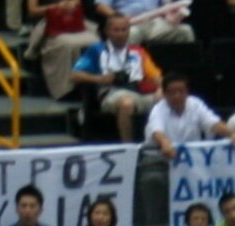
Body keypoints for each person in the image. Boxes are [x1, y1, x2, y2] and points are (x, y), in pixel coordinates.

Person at [70, 12, 161, 143]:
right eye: (116, 30)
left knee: (169, 96)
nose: (120, 34)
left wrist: (161, 89)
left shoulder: (137, 51)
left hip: (138, 93)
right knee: (126, 103)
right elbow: (74, 75)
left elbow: (156, 77)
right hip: (111, 94)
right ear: (107, 31)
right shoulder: (96, 50)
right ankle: (128, 147)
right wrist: (100, 79)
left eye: (124, 30)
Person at [144, 72, 235, 159]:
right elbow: (157, 131)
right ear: (165, 94)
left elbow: (213, 123)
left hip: (192, 160)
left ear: (187, 92)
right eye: (172, 92)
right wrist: (164, 142)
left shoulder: (195, 104)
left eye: (181, 91)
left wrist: (231, 134)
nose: (177, 96)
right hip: (160, 158)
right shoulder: (158, 109)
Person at [25, 0, 99, 100]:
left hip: (74, 20)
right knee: (68, 45)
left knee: (95, 41)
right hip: (48, 21)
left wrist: (72, 4)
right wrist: (56, 7)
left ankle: (94, 85)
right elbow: (33, 11)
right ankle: (66, 88)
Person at [97, 0, 195, 44]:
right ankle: (126, 75)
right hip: (129, 23)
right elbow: (100, 6)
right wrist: (119, 18)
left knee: (185, 31)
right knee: (131, 34)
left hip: (154, 22)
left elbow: (167, 4)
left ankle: (181, 78)